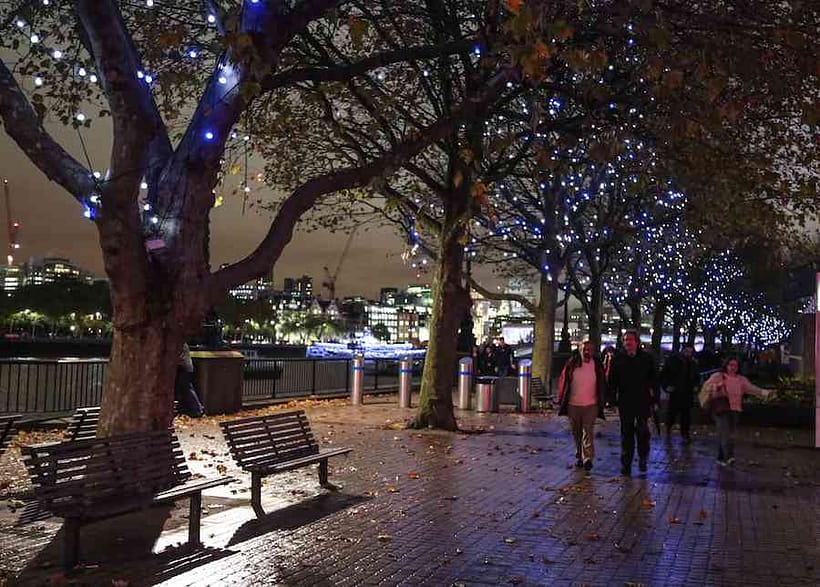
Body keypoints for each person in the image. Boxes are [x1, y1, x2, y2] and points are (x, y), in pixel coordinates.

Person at [701, 356, 772, 466]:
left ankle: (721, 457)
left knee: (729, 434)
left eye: (735, 365)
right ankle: (729, 457)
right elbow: (707, 387)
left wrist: (764, 392)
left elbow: (751, 388)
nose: (733, 368)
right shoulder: (718, 376)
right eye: (731, 365)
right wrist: (716, 386)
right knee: (725, 433)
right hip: (721, 409)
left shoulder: (741, 380)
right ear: (726, 365)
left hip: (735, 409)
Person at [608, 329, 659, 476]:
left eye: (630, 340)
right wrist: (612, 398)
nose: (627, 343)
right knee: (626, 434)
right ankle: (626, 464)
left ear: (636, 342)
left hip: (643, 401)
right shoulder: (618, 359)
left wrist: (655, 399)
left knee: (643, 432)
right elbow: (612, 381)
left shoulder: (646, 358)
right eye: (625, 340)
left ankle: (643, 457)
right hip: (626, 401)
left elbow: (654, 380)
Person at [556, 340, 606, 471]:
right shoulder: (572, 364)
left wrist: (603, 398)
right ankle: (580, 454)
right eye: (584, 349)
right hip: (573, 404)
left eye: (589, 349)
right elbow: (563, 380)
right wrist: (561, 398)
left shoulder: (597, 365)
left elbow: (603, 381)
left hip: (591, 404)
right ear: (579, 349)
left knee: (587, 431)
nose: (587, 352)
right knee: (576, 432)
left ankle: (588, 458)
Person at [661, 344, 700, 443]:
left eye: (690, 352)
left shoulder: (692, 363)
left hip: (686, 392)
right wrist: (667, 386)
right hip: (676, 391)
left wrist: (695, 386)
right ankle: (670, 429)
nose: (688, 354)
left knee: (685, 415)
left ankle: (684, 433)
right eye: (687, 351)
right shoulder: (674, 361)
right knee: (673, 413)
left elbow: (696, 377)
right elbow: (664, 375)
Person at [175, 342, 205, 417]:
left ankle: (198, 408)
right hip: (185, 367)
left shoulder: (180, 344)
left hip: (184, 368)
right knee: (183, 389)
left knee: (187, 388)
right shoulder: (182, 343)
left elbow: (179, 357)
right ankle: (185, 408)